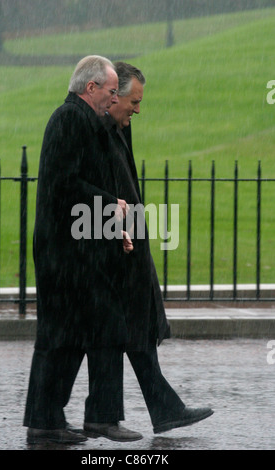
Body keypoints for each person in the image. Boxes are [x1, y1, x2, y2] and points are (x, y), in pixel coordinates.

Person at [23, 55, 143, 445]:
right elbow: (64, 185)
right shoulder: (70, 119)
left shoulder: (84, 122)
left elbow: (82, 184)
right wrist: (114, 205)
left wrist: (116, 227)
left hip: (77, 250)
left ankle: (56, 419)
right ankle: (72, 420)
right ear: (90, 88)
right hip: (66, 254)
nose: (115, 99)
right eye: (111, 92)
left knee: (79, 334)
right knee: (68, 336)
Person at [105, 61, 214, 434]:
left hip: (129, 241)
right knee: (122, 332)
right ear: (112, 94)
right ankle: (84, 417)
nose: (138, 109)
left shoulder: (120, 126)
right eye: (133, 101)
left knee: (138, 330)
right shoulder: (99, 129)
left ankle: (163, 408)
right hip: (117, 245)